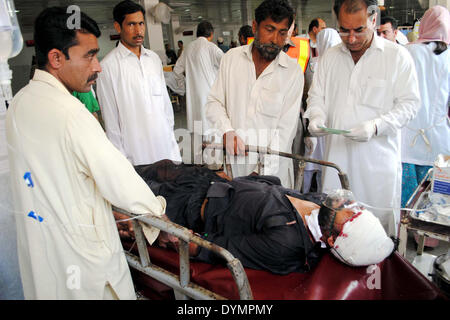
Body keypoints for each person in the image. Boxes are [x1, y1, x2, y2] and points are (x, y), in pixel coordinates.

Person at [5, 6, 176, 300]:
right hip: (86, 264)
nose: (97, 66)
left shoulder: (19, 106)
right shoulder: (71, 113)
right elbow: (119, 179)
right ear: (56, 58)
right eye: (89, 55)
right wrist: (160, 219)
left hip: (44, 256)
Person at [134, 160, 395, 274]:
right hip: (206, 182)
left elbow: (214, 249)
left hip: (184, 207)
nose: (348, 207)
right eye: (356, 209)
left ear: (333, 239)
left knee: (122, 187)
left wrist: (172, 235)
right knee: (139, 167)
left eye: (349, 216)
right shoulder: (321, 206)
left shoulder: (285, 244)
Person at [305, 0, 420, 236]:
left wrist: (376, 126)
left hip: (376, 169)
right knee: (335, 234)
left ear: (373, 19)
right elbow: (316, 97)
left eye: (359, 30)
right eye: (344, 30)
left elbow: (410, 105)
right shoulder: (330, 58)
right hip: (336, 165)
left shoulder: (397, 57)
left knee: (375, 237)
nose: (351, 38)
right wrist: (316, 116)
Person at [206, 0, 303, 189]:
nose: (275, 39)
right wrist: (227, 130)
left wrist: (259, 173)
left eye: (282, 33)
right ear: (255, 26)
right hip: (233, 168)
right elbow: (214, 102)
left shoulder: (292, 72)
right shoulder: (231, 59)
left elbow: (285, 132)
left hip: (272, 175)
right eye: (269, 29)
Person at [97, 0, 181, 166]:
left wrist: (173, 148)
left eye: (141, 24)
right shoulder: (108, 66)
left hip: (165, 151)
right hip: (136, 157)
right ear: (118, 27)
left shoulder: (154, 59)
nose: (138, 30)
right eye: (131, 24)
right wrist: (123, 164)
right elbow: (111, 122)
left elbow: (165, 107)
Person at [401, 6, 450, 208]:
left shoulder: (406, 52)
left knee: (406, 195)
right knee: (436, 195)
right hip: (439, 137)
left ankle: (401, 235)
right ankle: (429, 238)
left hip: (406, 137)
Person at [302, 28, 342, 194]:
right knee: (329, 165)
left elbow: (308, 94)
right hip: (334, 125)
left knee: (311, 163)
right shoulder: (344, 64)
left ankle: (306, 194)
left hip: (316, 122)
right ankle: (322, 194)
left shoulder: (314, 64)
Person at [173, 21, 224, 134]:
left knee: (197, 133)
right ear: (211, 33)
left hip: (193, 97)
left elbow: (177, 70)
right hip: (210, 96)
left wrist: (183, 89)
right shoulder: (212, 48)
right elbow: (227, 66)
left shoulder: (188, 48)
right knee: (213, 133)